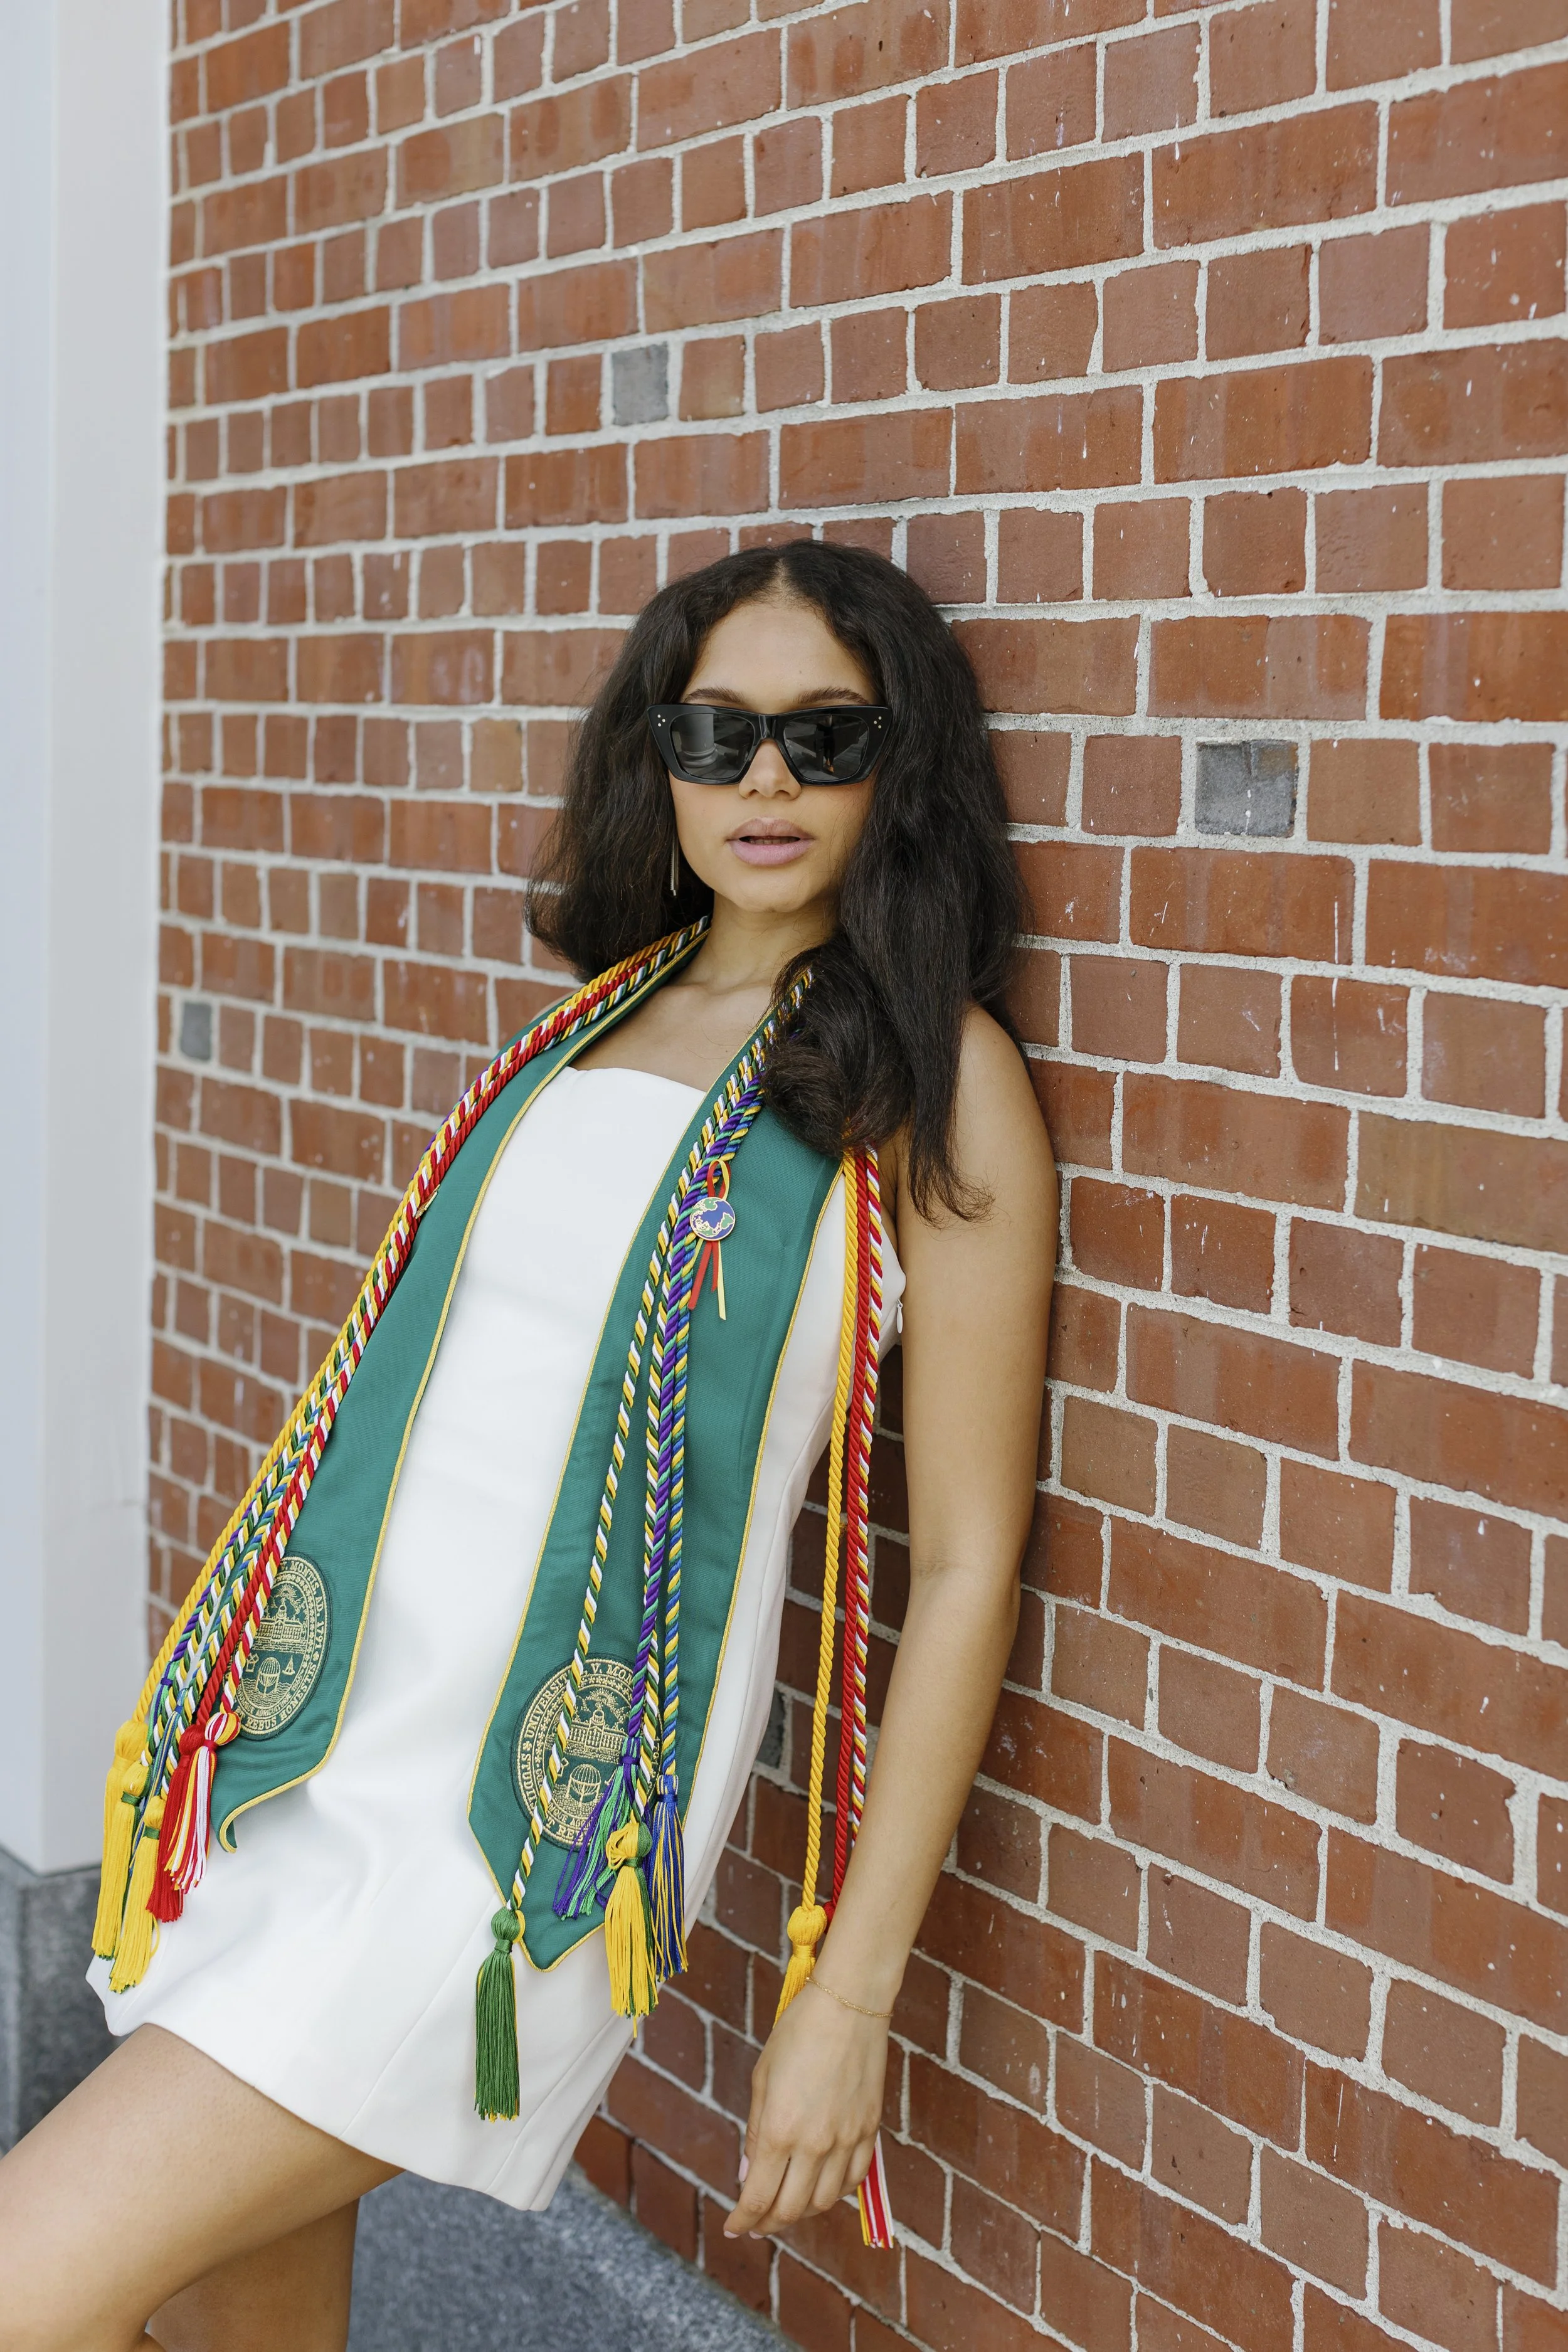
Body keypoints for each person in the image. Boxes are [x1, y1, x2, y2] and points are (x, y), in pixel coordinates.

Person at [0, 539, 1055, 2352]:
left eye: (825, 735)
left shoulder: (927, 1080)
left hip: (506, 1847)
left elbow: (965, 1563)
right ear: (659, 756)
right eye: (716, 732)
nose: (766, 779)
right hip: (307, 1770)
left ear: (905, 768)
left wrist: (847, 1993)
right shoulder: (590, 1025)